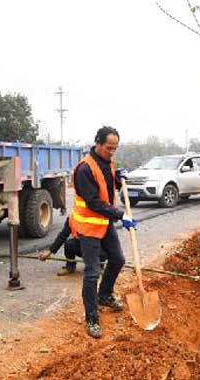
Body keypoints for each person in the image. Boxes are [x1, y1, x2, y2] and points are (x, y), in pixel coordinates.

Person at [70, 126, 135, 339]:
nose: (112, 152)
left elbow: (107, 186)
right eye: (109, 148)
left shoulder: (107, 162)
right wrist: (120, 214)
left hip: (104, 223)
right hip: (89, 226)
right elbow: (94, 201)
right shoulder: (84, 169)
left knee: (117, 259)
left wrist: (118, 178)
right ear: (98, 144)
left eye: (115, 148)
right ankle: (91, 318)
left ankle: (104, 295)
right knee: (92, 271)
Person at [37, 218, 107, 276]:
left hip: (97, 247)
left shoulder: (96, 216)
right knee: (69, 244)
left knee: (104, 247)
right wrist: (50, 251)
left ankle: (99, 266)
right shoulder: (72, 218)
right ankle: (70, 267)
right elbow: (62, 236)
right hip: (82, 246)